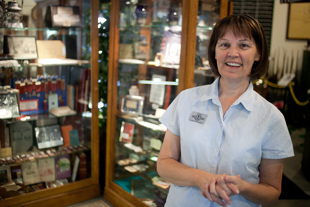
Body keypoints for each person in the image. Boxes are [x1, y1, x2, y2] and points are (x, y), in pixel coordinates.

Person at [157, 14, 294, 207]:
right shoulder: (186, 100)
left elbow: (272, 192)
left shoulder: (271, 118)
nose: (233, 53)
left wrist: (243, 187)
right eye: (224, 45)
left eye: (243, 45)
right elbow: (164, 164)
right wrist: (200, 178)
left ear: (258, 54)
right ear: (214, 51)